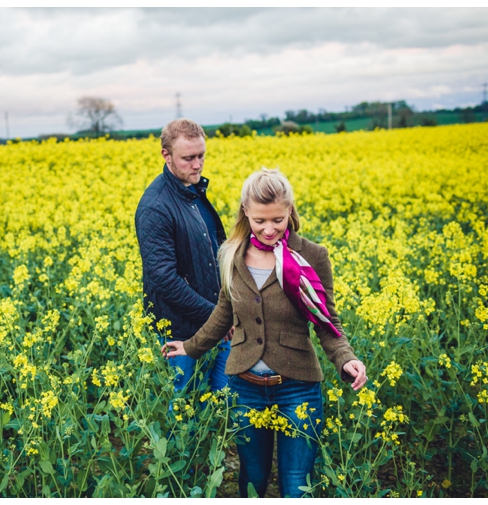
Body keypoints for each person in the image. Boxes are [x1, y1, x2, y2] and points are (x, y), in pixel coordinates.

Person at [161, 168, 367, 498]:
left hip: (297, 389)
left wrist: (347, 359)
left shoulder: (312, 256)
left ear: (290, 211)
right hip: (246, 388)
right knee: (253, 481)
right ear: (246, 212)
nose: (269, 229)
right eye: (260, 221)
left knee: (297, 485)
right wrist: (191, 347)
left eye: (277, 220)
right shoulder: (232, 254)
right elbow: (223, 313)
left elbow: (327, 323)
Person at [135, 118, 231, 394]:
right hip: (182, 329)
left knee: (221, 403)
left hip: (213, 322)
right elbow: (164, 279)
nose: (198, 165)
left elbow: (214, 251)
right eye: (188, 158)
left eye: (201, 156)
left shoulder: (192, 190)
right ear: (166, 156)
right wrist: (216, 317)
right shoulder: (156, 207)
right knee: (185, 408)